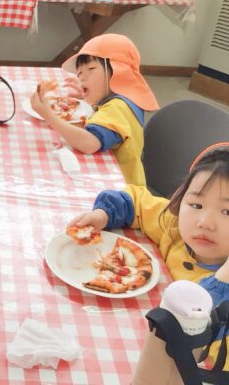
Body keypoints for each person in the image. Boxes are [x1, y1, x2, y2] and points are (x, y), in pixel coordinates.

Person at [68, 143, 229, 366]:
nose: (205, 223)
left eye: (227, 211)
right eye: (196, 205)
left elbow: (206, 344)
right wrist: (103, 214)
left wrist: (222, 281)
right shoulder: (173, 225)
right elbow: (137, 201)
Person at [30, 34, 159, 186]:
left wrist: (49, 116)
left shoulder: (118, 108)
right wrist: (87, 94)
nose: (82, 78)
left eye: (91, 69)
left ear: (119, 71)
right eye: (80, 73)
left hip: (122, 191)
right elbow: (104, 114)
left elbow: (89, 143)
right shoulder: (124, 97)